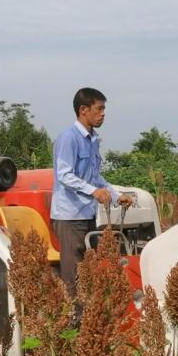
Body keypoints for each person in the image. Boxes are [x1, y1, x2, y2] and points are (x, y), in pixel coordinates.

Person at [50, 87, 131, 299]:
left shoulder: (93, 140)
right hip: (69, 216)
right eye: (99, 109)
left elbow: (95, 178)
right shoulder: (69, 138)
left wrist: (115, 195)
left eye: (104, 109)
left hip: (86, 213)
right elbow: (64, 175)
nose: (103, 114)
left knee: (90, 269)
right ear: (83, 110)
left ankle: (89, 317)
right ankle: (75, 320)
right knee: (74, 271)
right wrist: (93, 191)